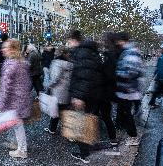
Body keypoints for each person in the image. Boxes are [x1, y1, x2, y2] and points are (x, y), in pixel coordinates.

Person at [67, 30, 104, 164]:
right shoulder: (90, 51)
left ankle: (84, 154)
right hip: (94, 93)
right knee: (89, 119)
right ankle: (91, 146)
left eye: (69, 41)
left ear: (74, 39)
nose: (69, 44)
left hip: (86, 95)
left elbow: (84, 76)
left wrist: (79, 96)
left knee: (81, 123)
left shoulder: (82, 52)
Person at [0, 40, 32, 159]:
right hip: (21, 99)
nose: (3, 49)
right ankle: (17, 143)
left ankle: (22, 150)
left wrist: (0, 103)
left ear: (12, 49)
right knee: (16, 123)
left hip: (14, 100)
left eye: (5, 47)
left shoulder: (11, 64)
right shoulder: (21, 62)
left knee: (17, 124)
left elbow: (5, 87)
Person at [114, 32, 143, 146]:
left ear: (122, 41)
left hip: (128, 90)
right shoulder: (129, 51)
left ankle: (133, 137)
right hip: (126, 90)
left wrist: (116, 73)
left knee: (126, 114)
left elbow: (131, 72)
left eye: (118, 41)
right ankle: (125, 131)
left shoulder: (130, 52)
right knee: (123, 112)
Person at [43, 47, 73, 134]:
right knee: (63, 111)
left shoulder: (57, 63)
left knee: (55, 111)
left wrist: (48, 85)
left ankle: (54, 129)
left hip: (58, 91)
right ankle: (54, 129)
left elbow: (55, 79)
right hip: (67, 92)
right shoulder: (71, 64)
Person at [100, 32, 120, 145]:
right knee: (106, 116)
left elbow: (108, 75)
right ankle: (113, 139)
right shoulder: (114, 54)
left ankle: (112, 138)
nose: (102, 42)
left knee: (104, 115)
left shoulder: (109, 56)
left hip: (104, 91)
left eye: (104, 40)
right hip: (109, 91)